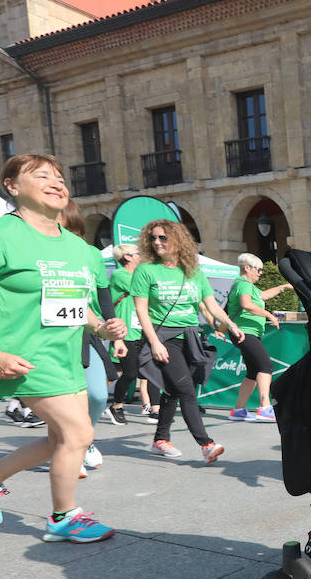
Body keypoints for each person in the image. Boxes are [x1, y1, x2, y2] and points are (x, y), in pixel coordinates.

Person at [0, 154, 126, 542]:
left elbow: (78, 306)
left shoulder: (82, 249)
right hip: (22, 357)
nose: (57, 183)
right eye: (42, 176)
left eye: (60, 177)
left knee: (66, 438)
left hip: (67, 357)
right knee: (77, 433)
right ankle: (64, 517)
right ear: (12, 186)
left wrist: (104, 328)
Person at [133, 219, 240, 462]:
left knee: (173, 390)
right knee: (186, 390)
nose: (157, 242)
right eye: (153, 238)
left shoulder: (194, 272)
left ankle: (160, 439)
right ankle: (206, 444)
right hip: (163, 337)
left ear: (178, 240)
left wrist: (232, 325)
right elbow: (141, 311)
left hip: (191, 337)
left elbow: (211, 306)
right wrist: (155, 343)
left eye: (163, 238)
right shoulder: (146, 270)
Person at [59, 199, 112, 476]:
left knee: (97, 395)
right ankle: (73, 448)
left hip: (87, 332)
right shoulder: (39, 250)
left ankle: (85, 438)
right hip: (52, 337)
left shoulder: (91, 254)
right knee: (63, 399)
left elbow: (103, 296)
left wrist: (117, 336)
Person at [225, 253, 291, 421]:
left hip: (248, 332)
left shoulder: (248, 286)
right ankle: (264, 408)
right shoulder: (244, 284)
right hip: (244, 332)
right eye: (258, 269)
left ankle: (238, 410)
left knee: (254, 372)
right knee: (266, 366)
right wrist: (270, 315)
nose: (261, 273)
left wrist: (284, 286)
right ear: (247, 268)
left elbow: (264, 296)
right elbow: (246, 305)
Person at [106, 241, 160, 423]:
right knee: (128, 373)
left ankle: (155, 409)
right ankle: (116, 406)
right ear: (127, 257)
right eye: (138, 253)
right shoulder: (119, 274)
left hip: (143, 330)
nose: (142, 255)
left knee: (151, 370)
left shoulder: (141, 273)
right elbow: (143, 289)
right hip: (125, 332)